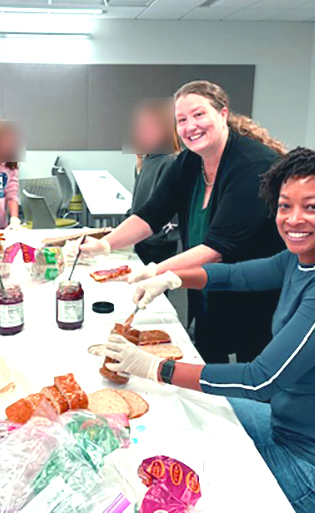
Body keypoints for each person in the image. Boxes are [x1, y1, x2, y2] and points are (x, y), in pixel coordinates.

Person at [106, 148, 315, 513]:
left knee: (193, 481)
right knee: (189, 407)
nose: (294, 219)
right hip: (291, 426)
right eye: (285, 206)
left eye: (312, 207)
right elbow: (235, 275)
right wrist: (169, 277)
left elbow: (260, 381)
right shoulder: (300, 259)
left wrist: (157, 368)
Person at [79, 80, 287, 363]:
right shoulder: (190, 162)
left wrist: (156, 271)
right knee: (208, 356)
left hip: (255, 291)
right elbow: (151, 215)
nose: (190, 126)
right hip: (207, 283)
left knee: (253, 366)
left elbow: (218, 247)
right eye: (182, 120)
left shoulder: (253, 165)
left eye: (199, 114)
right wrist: (104, 244)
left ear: (223, 114)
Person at [126, 98, 181, 266]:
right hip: (142, 243)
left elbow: (167, 216)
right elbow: (139, 206)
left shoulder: (169, 162)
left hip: (159, 249)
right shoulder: (147, 161)